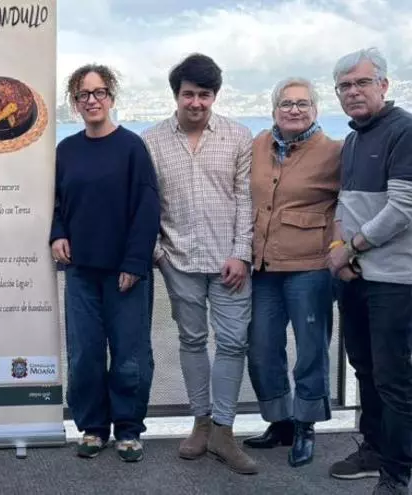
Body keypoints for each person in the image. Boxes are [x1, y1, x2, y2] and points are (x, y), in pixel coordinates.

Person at [141, 53, 258, 475]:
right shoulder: (151, 141)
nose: (196, 103)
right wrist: (159, 254)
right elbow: (147, 202)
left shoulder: (238, 136)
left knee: (233, 343)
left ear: (215, 96)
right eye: (188, 94)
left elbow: (246, 198)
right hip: (178, 260)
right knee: (191, 341)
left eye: (204, 95)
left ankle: (224, 431)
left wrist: (241, 252)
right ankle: (201, 423)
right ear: (176, 95)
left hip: (229, 263)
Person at [50, 64, 159, 462]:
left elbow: (147, 208)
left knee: (130, 355)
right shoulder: (66, 150)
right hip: (80, 271)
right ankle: (93, 427)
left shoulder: (131, 147)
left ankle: (128, 429)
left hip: (124, 272)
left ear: (111, 97)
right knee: (84, 354)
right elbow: (55, 201)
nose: (91, 100)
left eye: (98, 93)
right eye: (83, 94)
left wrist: (135, 262)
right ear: (74, 103)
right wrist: (57, 233)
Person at [242, 77, 341, 468]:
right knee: (262, 347)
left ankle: (306, 424)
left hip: (311, 267)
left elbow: (349, 205)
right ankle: (280, 421)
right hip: (263, 266)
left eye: (302, 103)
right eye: (286, 103)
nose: (294, 110)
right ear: (274, 110)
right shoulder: (258, 145)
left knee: (311, 350)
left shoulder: (334, 152)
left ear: (315, 109)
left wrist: (342, 250)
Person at [326, 47, 412, 495]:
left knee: (394, 379)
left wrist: (351, 249)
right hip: (357, 276)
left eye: (362, 82)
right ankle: (375, 448)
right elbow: (345, 204)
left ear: (383, 84)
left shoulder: (404, 131)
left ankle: (397, 474)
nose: (353, 92)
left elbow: (403, 208)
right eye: (344, 86)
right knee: (364, 369)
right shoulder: (355, 139)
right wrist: (339, 250)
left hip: (394, 280)